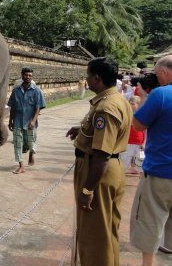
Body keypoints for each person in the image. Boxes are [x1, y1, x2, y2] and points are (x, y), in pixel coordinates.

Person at [66, 57, 132, 266]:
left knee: (95, 237)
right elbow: (103, 134)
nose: (86, 79)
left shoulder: (106, 108)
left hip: (99, 174)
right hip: (107, 170)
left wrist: (87, 191)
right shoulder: (115, 99)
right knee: (106, 231)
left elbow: (102, 155)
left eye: (88, 75)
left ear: (97, 78)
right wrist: (83, 130)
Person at [130, 54, 172, 266]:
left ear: (164, 73)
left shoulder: (161, 94)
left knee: (150, 220)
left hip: (160, 171)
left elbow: (137, 125)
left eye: (157, 75)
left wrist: (146, 96)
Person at [7, 67, 46, 174]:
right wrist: (10, 121)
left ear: (32, 77)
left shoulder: (37, 91)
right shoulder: (16, 90)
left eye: (29, 75)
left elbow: (38, 108)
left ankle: (31, 153)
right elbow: (12, 107)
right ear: (22, 76)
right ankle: (21, 166)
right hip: (18, 121)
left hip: (30, 121)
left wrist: (33, 121)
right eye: (25, 75)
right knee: (17, 143)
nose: (27, 77)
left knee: (31, 142)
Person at [120, 96, 146, 176]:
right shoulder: (127, 115)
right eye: (129, 103)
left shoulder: (142, 115)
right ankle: (124, 170)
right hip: (128, 141)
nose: (130, 105)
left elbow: (145, 130)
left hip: (139, 141)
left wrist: (144, 142)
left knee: (139, 158)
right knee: (125, 158)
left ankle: (137, 170)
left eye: (132, 104)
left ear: (139, 104)